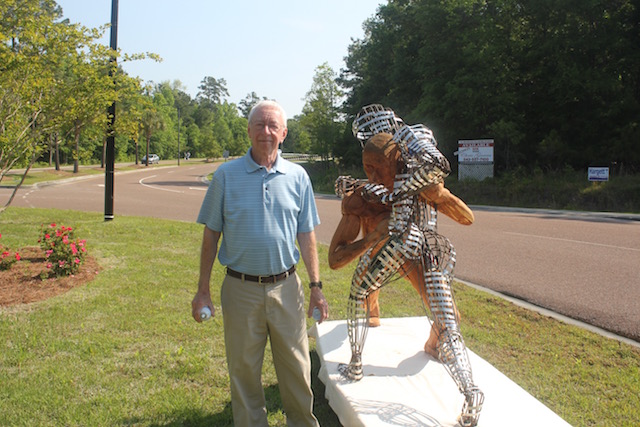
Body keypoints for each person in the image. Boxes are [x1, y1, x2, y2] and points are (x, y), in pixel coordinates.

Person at [328, 104, 483, 427]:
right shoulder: (364, 196)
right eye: (366, 167)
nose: (371, 176)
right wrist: (369, 239)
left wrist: (439, 195)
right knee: (362, 290)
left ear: (399, 162)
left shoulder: (417, 183)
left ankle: (460, 379)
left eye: (378, 168)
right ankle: (362, 345)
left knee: (449, 317)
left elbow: (467, 217)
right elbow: (335, 259)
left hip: (418, 249)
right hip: (392, 247)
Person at [191, 100, 328, 427]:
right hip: (240, 290)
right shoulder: (225, 176)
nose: (265, 132)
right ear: (249, 131)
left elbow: (307, 235)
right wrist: (202, 291)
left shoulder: (298, 177)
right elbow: (210, 235)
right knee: (244, 372)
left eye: (272, 126)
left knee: (297, 370)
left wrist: (316, 288)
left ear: (283, 133)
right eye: (258, 125)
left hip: (287, 289)